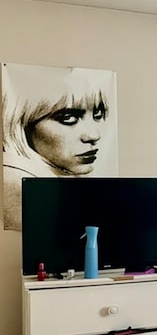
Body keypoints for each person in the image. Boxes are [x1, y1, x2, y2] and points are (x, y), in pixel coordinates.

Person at [2, 64, 117, 230]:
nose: (94, 135)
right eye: (68, 118)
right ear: (22, 121)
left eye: (98, 115)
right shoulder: (17, 182)